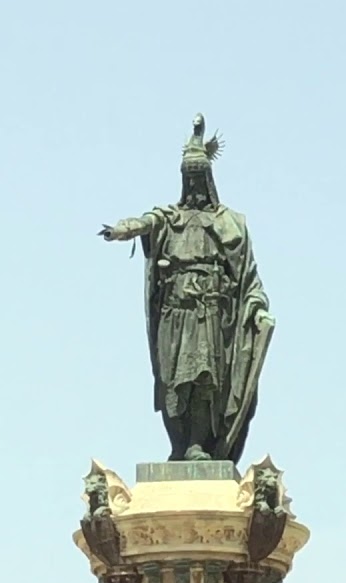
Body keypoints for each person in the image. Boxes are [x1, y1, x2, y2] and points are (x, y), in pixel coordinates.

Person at [99, 114, 275, 463]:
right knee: (171, 379)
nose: (193, 184)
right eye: (188, 177)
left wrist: (255, 306)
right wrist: (124, 230)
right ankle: (178, 445)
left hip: (209, 311)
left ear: (209, 179)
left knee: (203, 377)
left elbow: (248, 276)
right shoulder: (169, 217)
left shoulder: (229, 223)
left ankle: (196, 444)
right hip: (174, 310)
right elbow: (145, 222)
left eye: (199, 177)